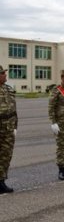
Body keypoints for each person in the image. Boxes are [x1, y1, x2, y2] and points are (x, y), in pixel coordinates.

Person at [0, 65, 17, 193]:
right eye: (3, 73)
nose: (5, 75)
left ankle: (1, 181)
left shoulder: (8, 89)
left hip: (9, 127)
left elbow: (14, 110)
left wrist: (15, 126)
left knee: (6, 155)